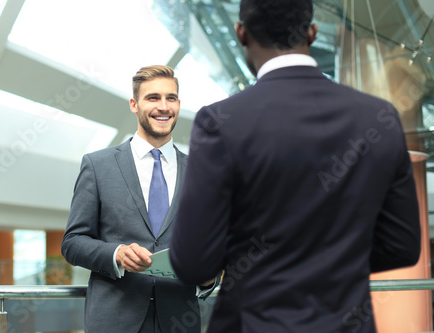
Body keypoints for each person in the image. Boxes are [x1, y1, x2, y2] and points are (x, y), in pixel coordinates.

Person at [169, 1, 421, 332]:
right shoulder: (379, 118)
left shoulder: (221, 123)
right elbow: (402, 247)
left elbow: (192, 262)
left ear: (241, 32)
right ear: (313, 33)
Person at [62, 65, 217, 333]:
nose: (163, 107)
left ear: (179, 104)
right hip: (114, 320)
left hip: (180, 321)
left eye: (171, 98)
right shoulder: (98, 166)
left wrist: (207, 278)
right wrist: (117, 254)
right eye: (153, 98)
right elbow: (73, 243)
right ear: (134, 105)